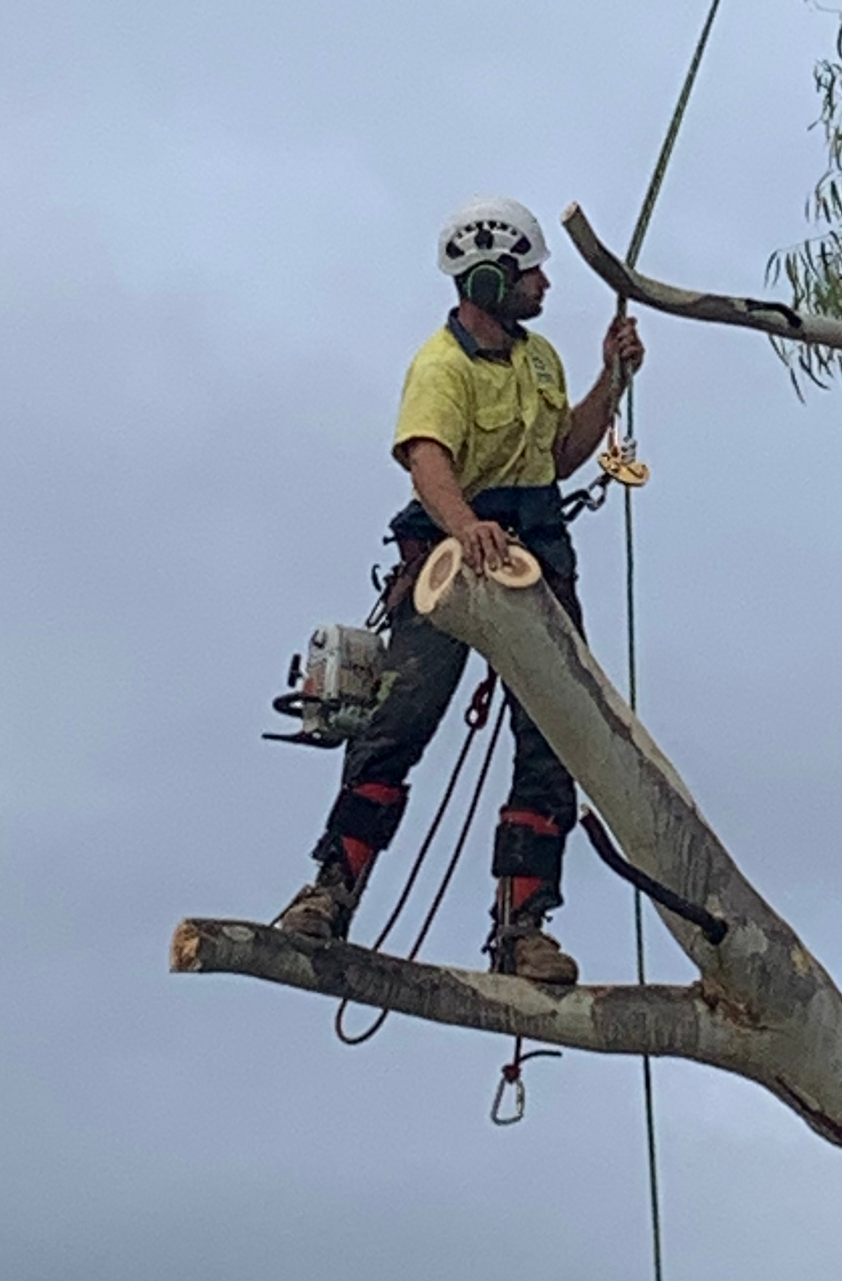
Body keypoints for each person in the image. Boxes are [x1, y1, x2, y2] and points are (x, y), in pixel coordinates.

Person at [274, 195, 644, 985]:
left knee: (553, 741)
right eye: (530, 270)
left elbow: (561, 454)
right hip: (450, 558)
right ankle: (329, 892)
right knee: (397, 726)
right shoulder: (440, 366)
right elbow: (426, 457)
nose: (544, 282)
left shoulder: (540, 359)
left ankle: (524, 927)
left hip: (539, 553)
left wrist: (611, 382)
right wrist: (465, 527)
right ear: (485, 279)